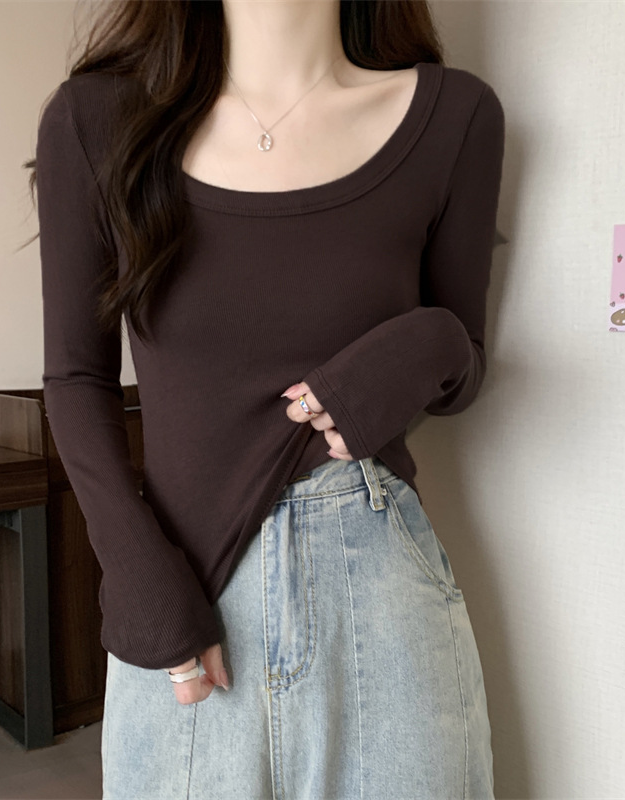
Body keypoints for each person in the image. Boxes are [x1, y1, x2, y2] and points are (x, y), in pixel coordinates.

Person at [29, 0, 505, 797]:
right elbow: (77, 378)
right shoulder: (95, 120)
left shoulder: (455, 117)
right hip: (185, 595)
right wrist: (138, 574)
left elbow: (466, 366)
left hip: (379, 587)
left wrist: (435, 339)